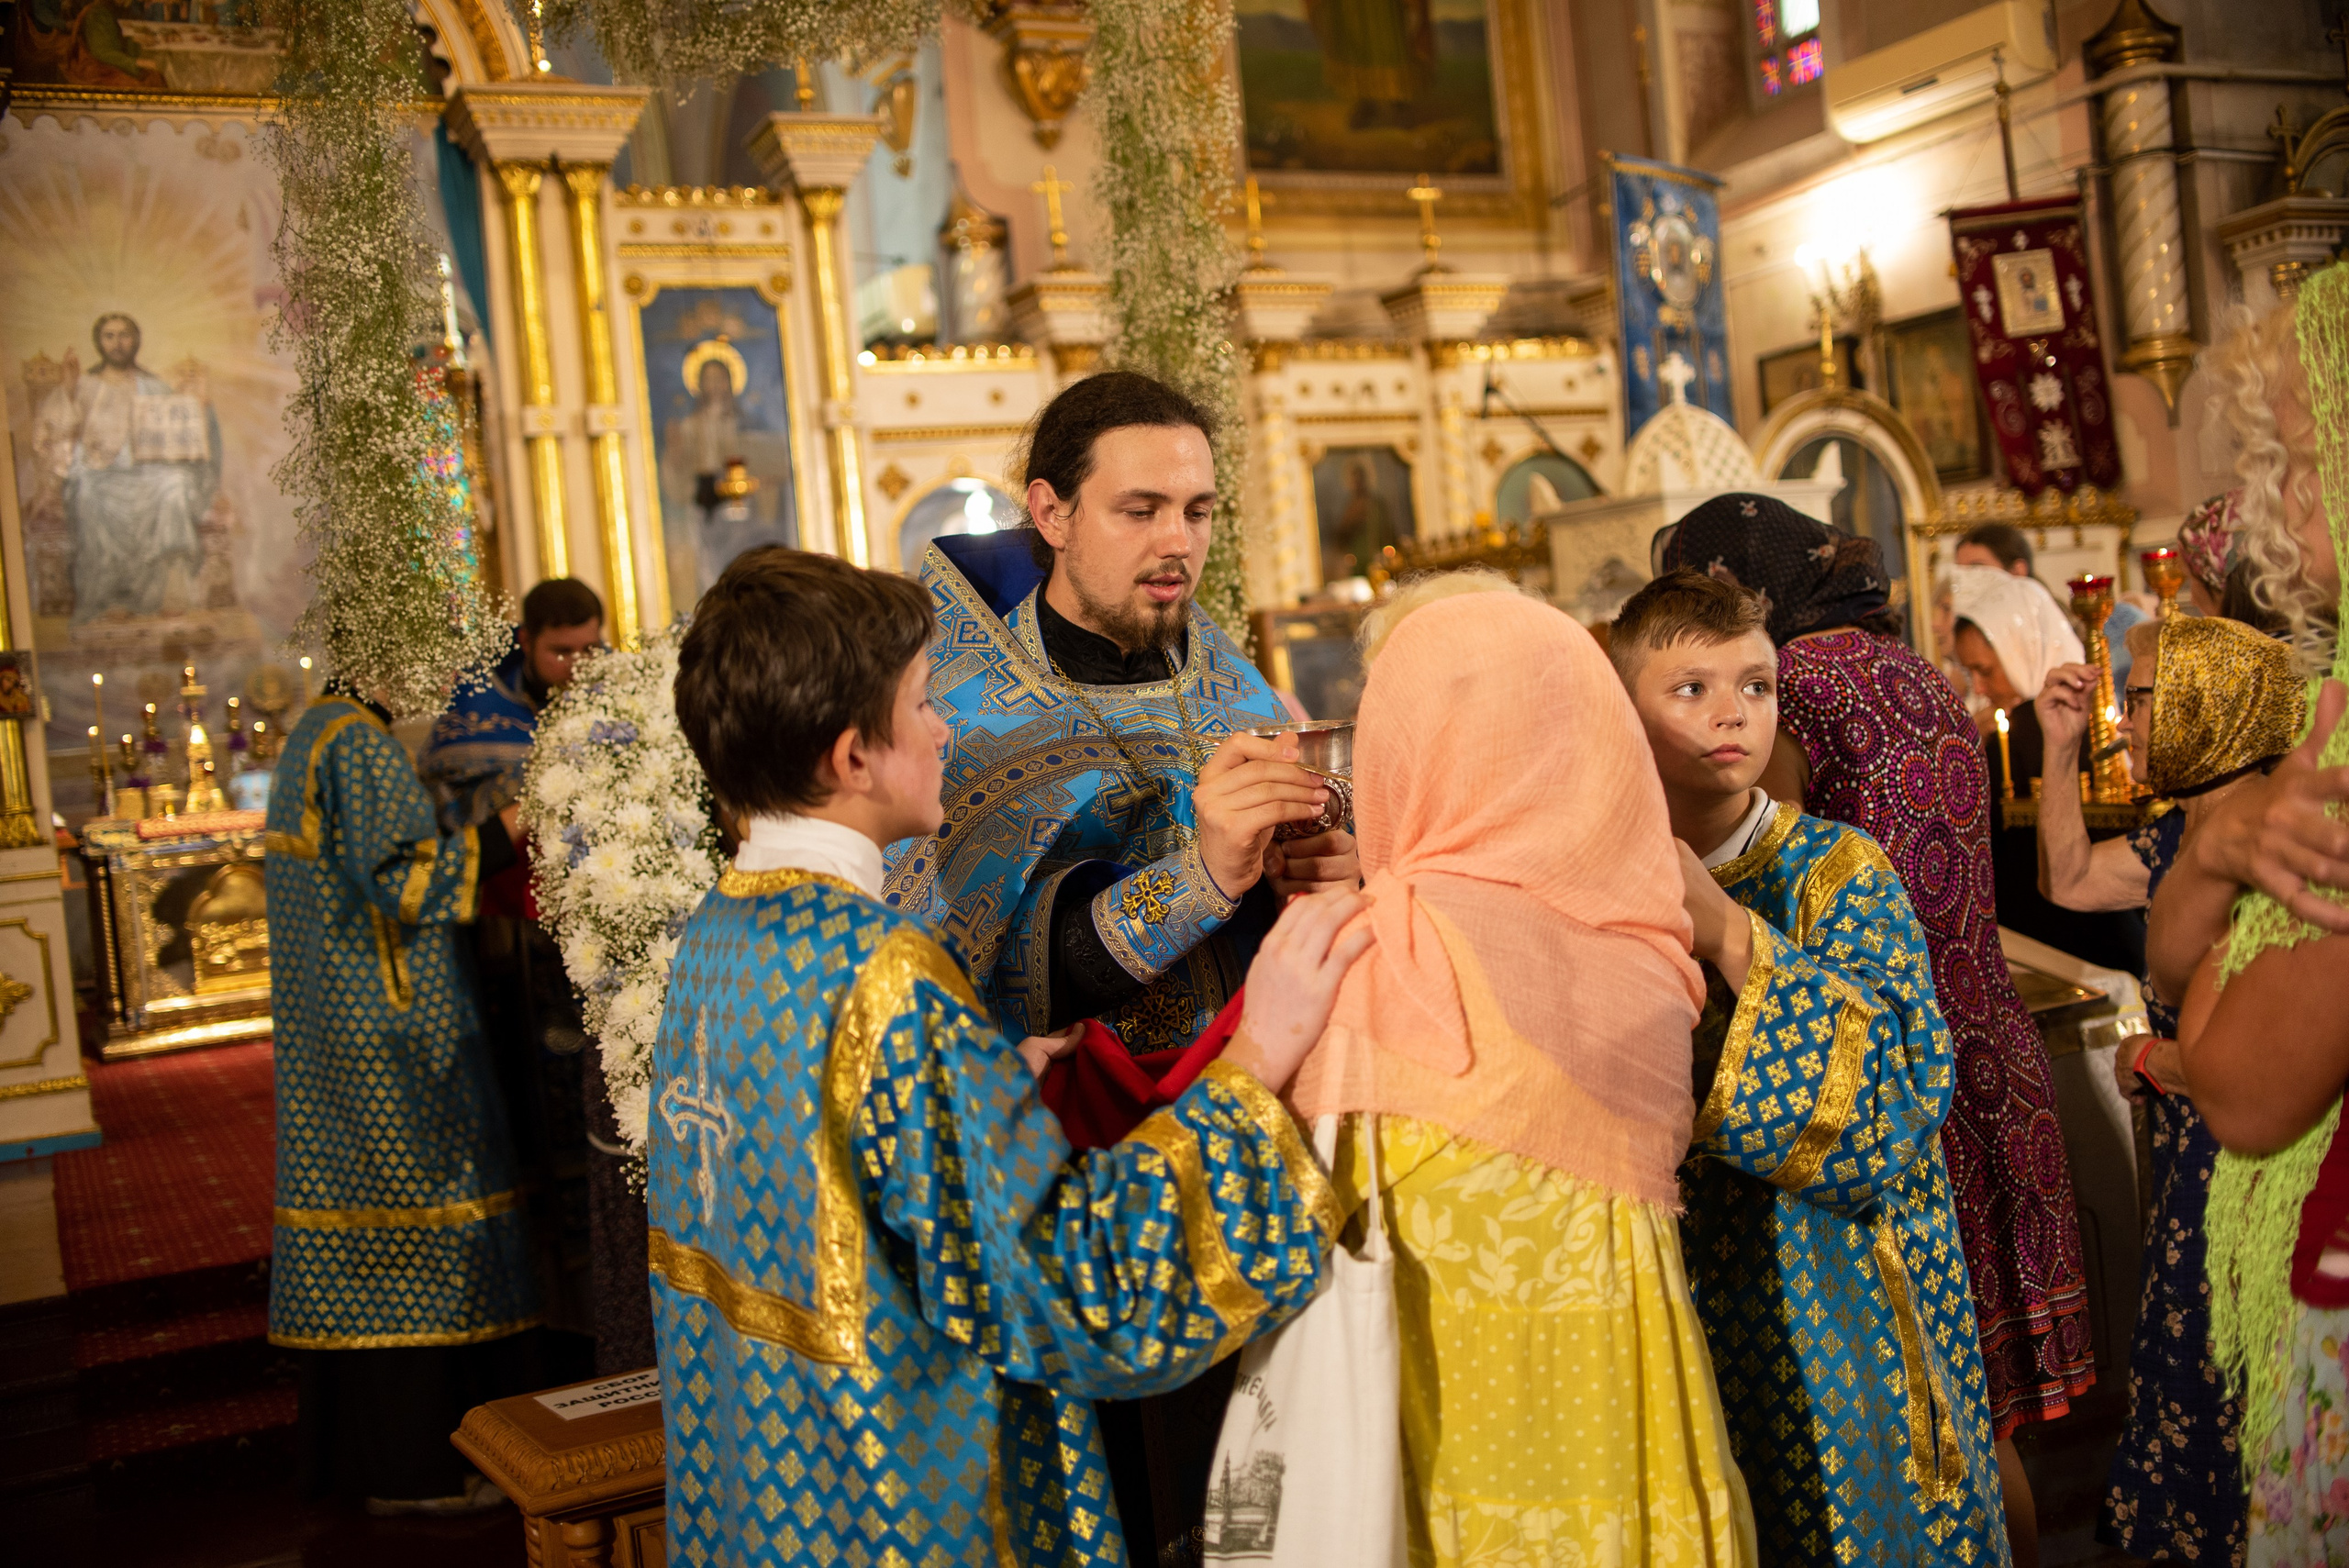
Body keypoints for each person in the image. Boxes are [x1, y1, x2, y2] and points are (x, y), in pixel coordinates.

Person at [652, 546, 1367, 1568]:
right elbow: (1084, 1282)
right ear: (854, 758)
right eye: (920, 703)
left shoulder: (719, 937)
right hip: (904, 1501)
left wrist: (982, 1082)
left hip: (768, 1491)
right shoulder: (884, 978)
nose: (946, 727)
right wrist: (1260, 1049)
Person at [884, 372, 1358, 1552]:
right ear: (1048, 511)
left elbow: (1293, 871)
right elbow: (980, 966)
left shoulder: (1231, 678)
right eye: (1139, 509)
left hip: (1265, 1134)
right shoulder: (957, 704)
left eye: (1197, 512)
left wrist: (1324, 851)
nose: (1177, 543)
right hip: (1086, 1169)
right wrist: (1201, 873)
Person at [1286, 578, 1758, 1566]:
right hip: (1616, 1394)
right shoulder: (1645, 938)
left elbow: (1291, 1197)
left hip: (1451, 1420)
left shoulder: (1381, 948)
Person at [1659, 494, 2092, 1567]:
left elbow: (1775, 880)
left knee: (1935, 1414)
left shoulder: (1791, 688)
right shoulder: (1917, 675)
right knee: (1981, 1415)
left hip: (1882, 1059)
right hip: (1984, 1040)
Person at [1610, 568, 2008, 1565]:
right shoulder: (1601, 882)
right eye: (1689, 688)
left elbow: (1892, 1101)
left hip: (1845, 1301)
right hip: (1684, 1296)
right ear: (1619, 713)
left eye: (1756, 684)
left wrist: (1731, 933)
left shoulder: (1839, 871)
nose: (1733, 714)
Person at [2150, 275, 2349, 1564]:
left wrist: (2186, 1036)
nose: (2278, 502)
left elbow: (2244, 1089)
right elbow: (2173, 951)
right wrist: (2220, 844)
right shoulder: (2318, 686)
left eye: (2302, 453)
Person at [2034, 613, 2302, 1564]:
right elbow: (2065, 877)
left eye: (2139, 698)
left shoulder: (2268, 837)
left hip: (2253, 1157)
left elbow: (2266, 1051)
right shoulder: (2185, 827)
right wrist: (2057, 752)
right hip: (2196, 1148)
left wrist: (2152, 1060)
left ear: (2207, 700)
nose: (2122, 721)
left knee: (2237, 1375)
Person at [262, 678, 538, 1513]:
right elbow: (406, 880)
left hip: (338, 1028)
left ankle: (375, 1461)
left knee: (369, 1242)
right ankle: (414, 1466)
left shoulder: (315, 732)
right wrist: (515, 824)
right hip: (387, 1036)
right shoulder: (357, 742)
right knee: (413, 1240)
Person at [421, 579, 640, 1373]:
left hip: (602, 936)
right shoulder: (480, 714)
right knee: (535, 1114)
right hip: (515, 945)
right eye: (561, 651)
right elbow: (460, 814)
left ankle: (599, 1271)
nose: (579, 665)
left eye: (590, 647)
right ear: (528, 640)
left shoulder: (622, 691)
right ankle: (553, 1284)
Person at [1945, 564, 2145, 972]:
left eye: (1985, 670)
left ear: (2021, 647)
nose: (1979, 688)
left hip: (2073, 945)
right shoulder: (2086, 717)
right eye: (1971, 674)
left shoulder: (2031, 732)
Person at [1956, 520, 2148, 687]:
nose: (1966, 581)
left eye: (1976, 568)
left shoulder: (2063, 626)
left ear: (2017, 571)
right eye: (1961, 572)